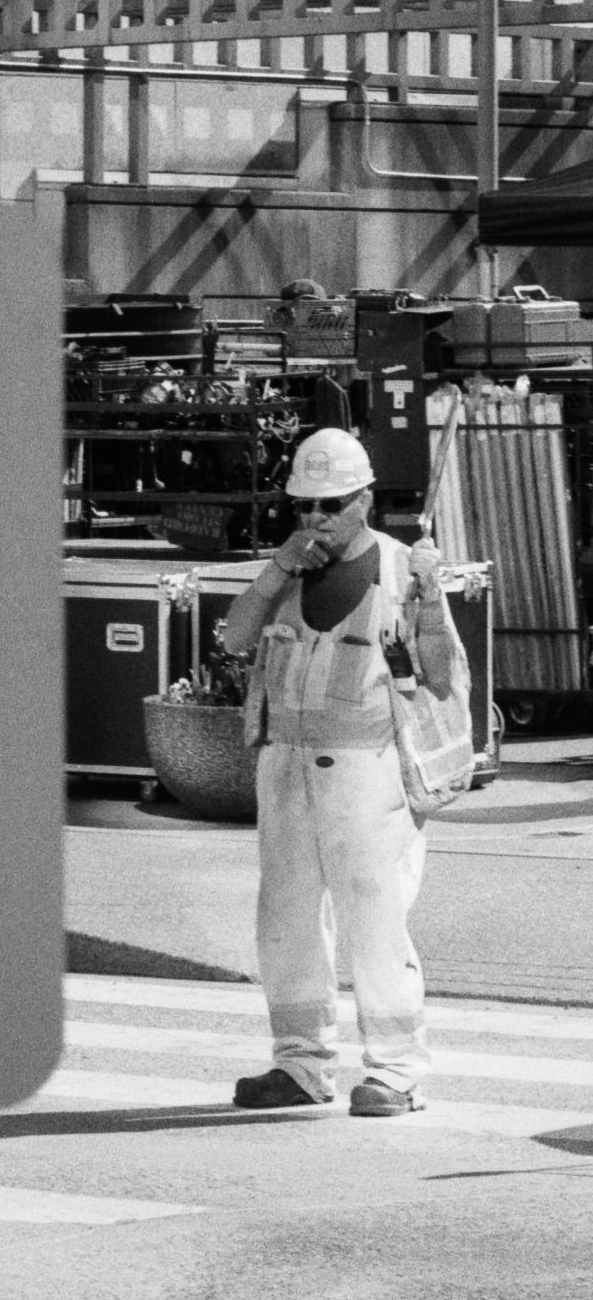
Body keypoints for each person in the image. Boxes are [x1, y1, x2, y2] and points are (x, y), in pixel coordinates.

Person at [219, 428, 467, 1118]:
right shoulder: (288, 572)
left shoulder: (398, 569)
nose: (315, 519)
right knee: (285, 918)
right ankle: (299, 1064)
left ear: (364, 499)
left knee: (374, 920)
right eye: (302, 506)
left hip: (368, 772)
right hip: (284, 766)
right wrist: (276, 566)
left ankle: (396, 1072)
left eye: (329, 504)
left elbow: (442, 679)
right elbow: (234, 640)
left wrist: (426, 595)